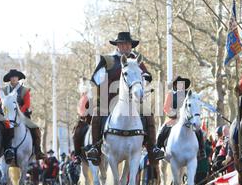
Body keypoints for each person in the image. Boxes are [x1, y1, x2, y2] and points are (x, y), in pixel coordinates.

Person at [85, 32, 164, 165]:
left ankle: (153, 148)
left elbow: (146, 75)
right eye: (123, 44)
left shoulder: (136, 59)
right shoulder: (108, 59)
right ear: (118, 45)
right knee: (97, 114)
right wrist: (103, 78)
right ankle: (95, 148)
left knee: (148, 113)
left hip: (132, 99)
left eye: (128, 45)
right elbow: (95, 79)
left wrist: (144, 80)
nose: (126, 47)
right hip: (109, 99)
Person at [157, 76, 206, 160]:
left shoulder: (189, 95)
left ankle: (201, 150)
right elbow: (166, 108)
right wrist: (174, 114)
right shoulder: (171, 94)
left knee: (199, 131)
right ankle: (158, 150)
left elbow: (194, 105)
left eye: (182, 83)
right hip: (174, 119)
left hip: (187, 119)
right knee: (163, 130)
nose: (181, 85)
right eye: (179, 83)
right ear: (175, 85)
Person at [1, 69, 45, 160]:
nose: (13, 79)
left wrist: (19, 112)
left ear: (18, 78)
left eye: (15, 77)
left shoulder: (24, 90)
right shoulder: (4, 90)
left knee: (35, 128)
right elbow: (1, 102)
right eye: (12, 77)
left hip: (22, 115)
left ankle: (38, 151)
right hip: (7, 116)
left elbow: (27, 104)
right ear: (9, 78)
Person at [72, 78, 92, 163]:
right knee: (75, 134)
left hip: (90, 118)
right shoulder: (82, 97)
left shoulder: (90, 96)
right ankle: (78, 155)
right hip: (82, 119)